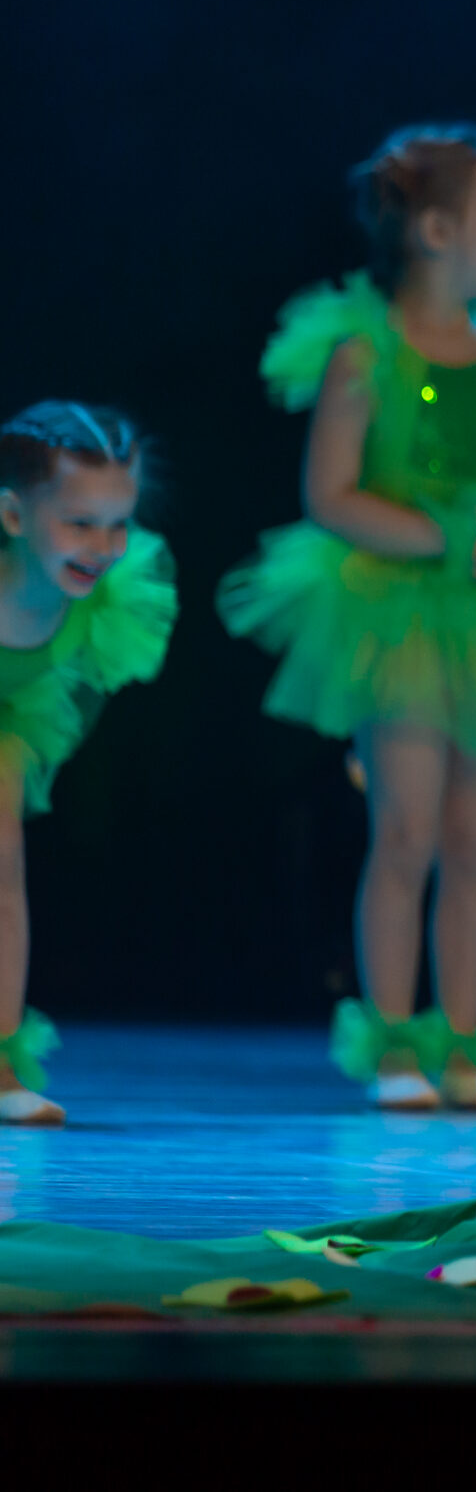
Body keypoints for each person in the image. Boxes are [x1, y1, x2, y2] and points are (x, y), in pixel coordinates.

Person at [220, 124, 476, 1112]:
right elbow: (331, 495)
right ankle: (394, 1046)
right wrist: (443, 538)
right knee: (405, 828)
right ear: (437, 230)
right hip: (395, 609)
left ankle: (462, 1043)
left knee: (474, 835)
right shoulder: (364, 351)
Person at [0, 404, 174, 1125]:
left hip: (12, 708)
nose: (103, 547)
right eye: (79, 523)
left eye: (118, 524)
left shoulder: (107, 598)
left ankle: (1, 1063)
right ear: (13, 515)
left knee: (4, 860)